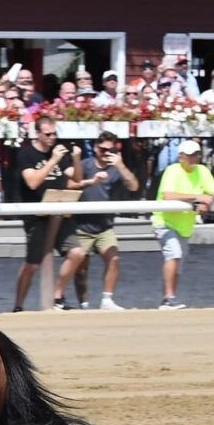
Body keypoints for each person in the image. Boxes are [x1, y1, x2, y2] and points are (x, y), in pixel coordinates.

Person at [68, 131, 140, 312]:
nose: (106, 152)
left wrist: (121, 165)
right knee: (81, 267)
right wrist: (89, 179)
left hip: (104, 226)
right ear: (95, 148)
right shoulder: (85, 164)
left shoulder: (116, 169)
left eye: (111, 149)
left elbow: (134, 186)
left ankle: (107, 299)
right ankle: (83, 304)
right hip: (81, 224)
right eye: (103, 149)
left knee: (113, 257)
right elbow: (72, 182)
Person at [12, 115, 76, 312]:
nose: (52, 137)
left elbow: (74, 179)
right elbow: (33, 182)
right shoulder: (26, 154)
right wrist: (53, 160)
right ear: (37, 133)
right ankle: (18, 305)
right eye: (48, 134)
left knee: (77, 253)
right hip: (36, 216)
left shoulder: (60, 152)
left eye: (54, 133)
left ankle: (57, 296)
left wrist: (77, 159)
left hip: (60, 212)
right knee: (32, 265)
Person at [151, 140, 214, 310]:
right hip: (164, 222)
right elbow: (168, 195)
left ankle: (170, 298)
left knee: (178, 262)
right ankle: (168, 298)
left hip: (184, 226)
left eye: (195, 155)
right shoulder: (172, 170)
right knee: (173, 254)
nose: (192, 158)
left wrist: (208, 200)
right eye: (189, 155)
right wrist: (198, 197)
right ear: (180, 157)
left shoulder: (203, 171)